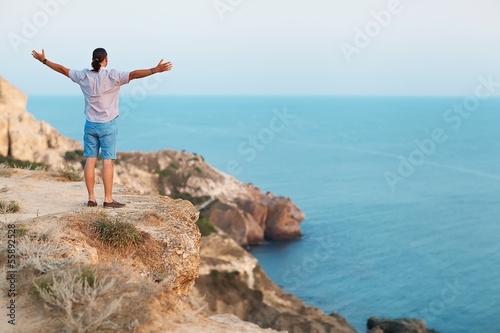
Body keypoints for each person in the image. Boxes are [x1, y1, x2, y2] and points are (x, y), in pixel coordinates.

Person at [31, 48, 172, 208]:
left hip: (90, 124)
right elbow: (133, 75)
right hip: (107, 125)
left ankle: (91, 199)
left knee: (90, 160)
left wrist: (44, 60)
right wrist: (155, 70)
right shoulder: (113, 76)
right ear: (106, 59)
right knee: (107, 161)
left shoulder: (83, 75)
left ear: (92, 59)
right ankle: (108, 199)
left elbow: (63, 70)